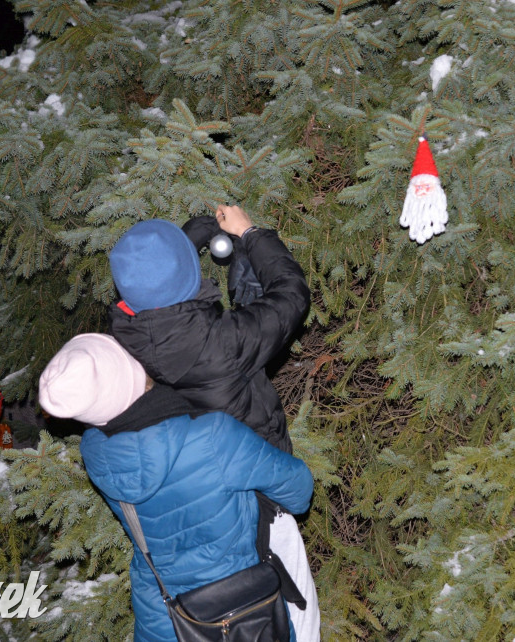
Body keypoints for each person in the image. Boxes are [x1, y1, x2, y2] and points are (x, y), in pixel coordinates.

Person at [107, 205, 321, 640]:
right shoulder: (222, 343)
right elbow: (290, 294)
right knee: (298, 616)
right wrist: (252, 233)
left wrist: (192, 237)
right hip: (260, 504)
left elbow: (157, 293)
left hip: (195, 508)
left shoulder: (120, 344)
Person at [38, 333, 313, 642]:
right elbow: (299, 492)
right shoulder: (212, 436)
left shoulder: (97, 455)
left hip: (163, 619)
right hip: (245, 611)